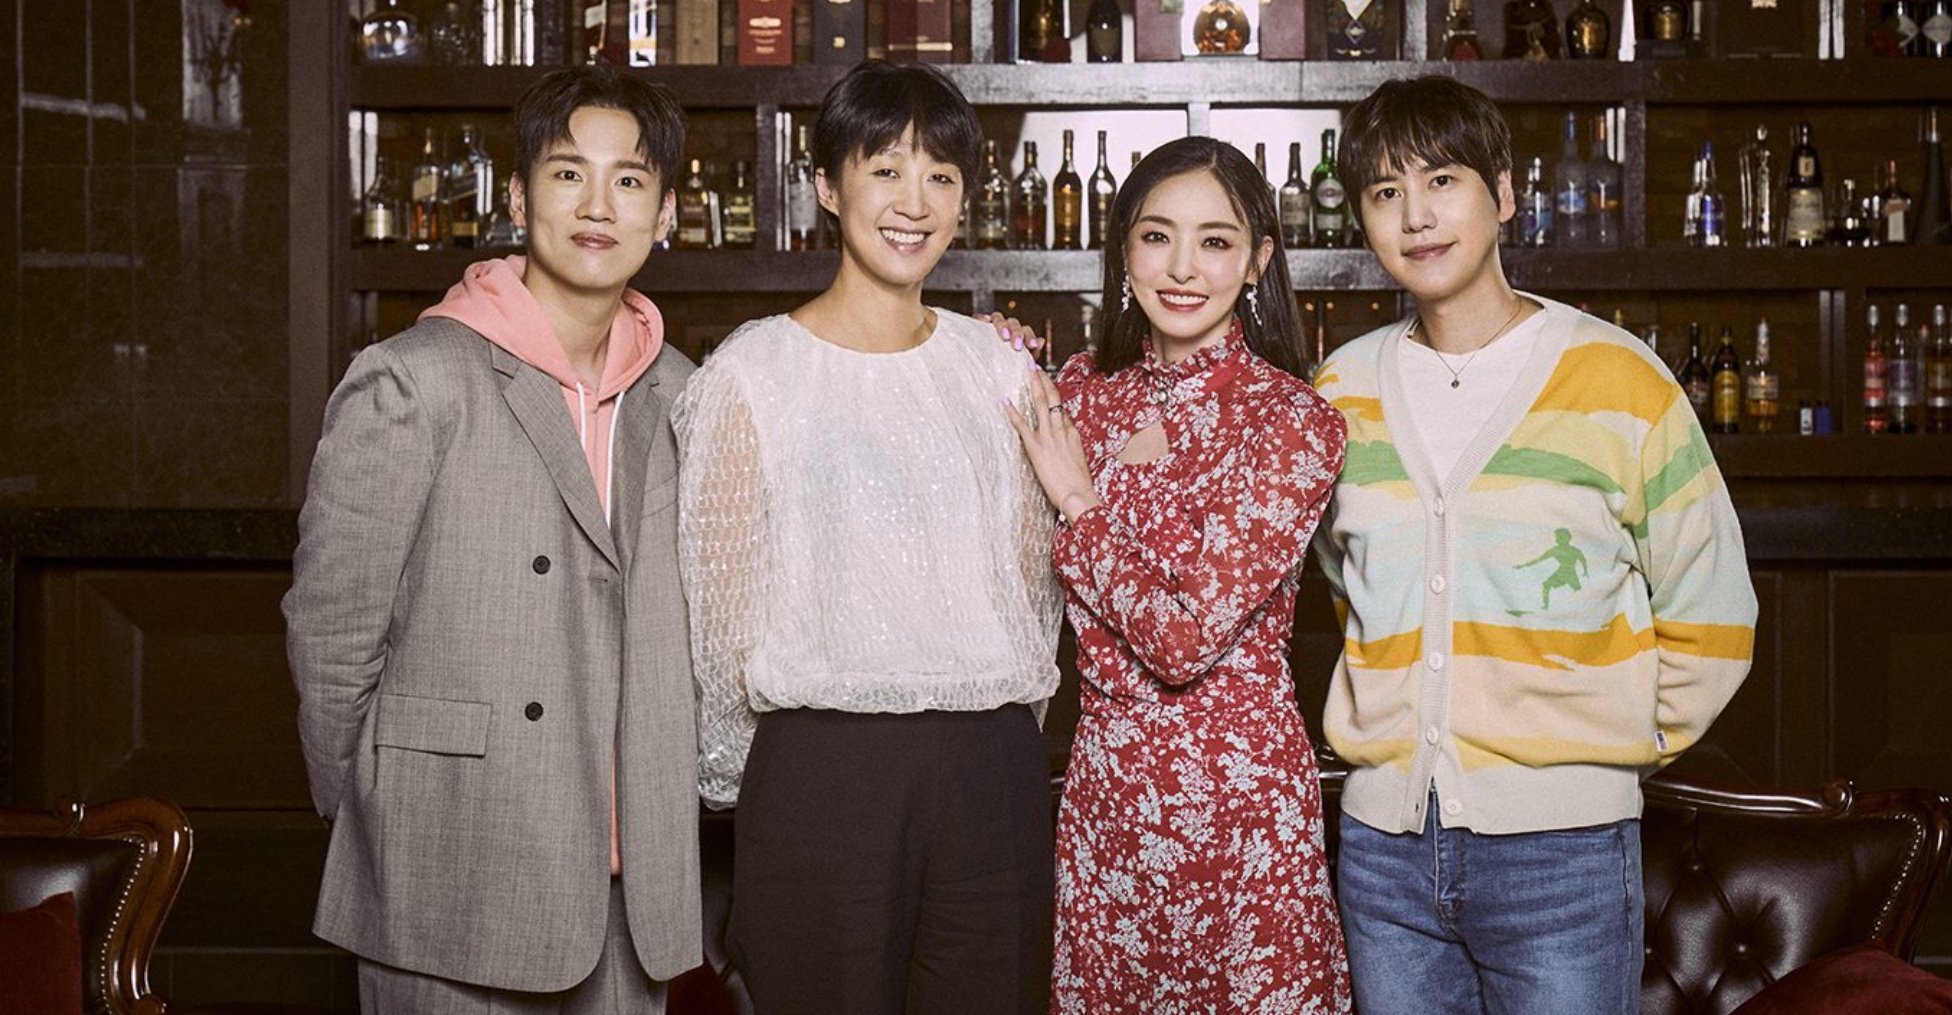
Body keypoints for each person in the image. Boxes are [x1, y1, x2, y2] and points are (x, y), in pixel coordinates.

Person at [1313, 76, 1757, 1014]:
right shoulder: (1338, 393)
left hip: (1563, 854)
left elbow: (1713, 606)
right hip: (1384, 852)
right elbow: (1349, 588)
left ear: (1505, 195)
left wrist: (1603, 753)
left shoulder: (1619, 380)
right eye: (1386, 193)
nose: (1417, 215)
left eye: (1442, 180)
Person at [284, 65, 700, 1013]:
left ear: (665, 211)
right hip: (452, 868)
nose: (598, 205)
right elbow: (332, 637)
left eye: (630, 181)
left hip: (630, 896)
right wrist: (385, 814)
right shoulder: (415, 379)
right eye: (567, 174)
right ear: (516, 196)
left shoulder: (682, 393)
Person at [672, 61, 1061, 1015]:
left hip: (991, 767)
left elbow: (1033, 581)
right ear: (825, 186)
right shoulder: (750, 373)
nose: (913, 201)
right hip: (822, 774)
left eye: (941, 176)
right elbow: (719, 615)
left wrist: (1007, 730)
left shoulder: (997, 365)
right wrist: (740, 781)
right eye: (884, 168)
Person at [1005, 136, 1354, 1015]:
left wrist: (1083, 508)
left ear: (1258, 259)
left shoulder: (1294, 422)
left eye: (1216, 241)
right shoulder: (1079, 392)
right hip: (1107, 794)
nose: (1183, 268)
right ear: (1122, 248)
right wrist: (988, 348)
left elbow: (1185, 636)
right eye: (1157, 236)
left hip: (1241, 803)